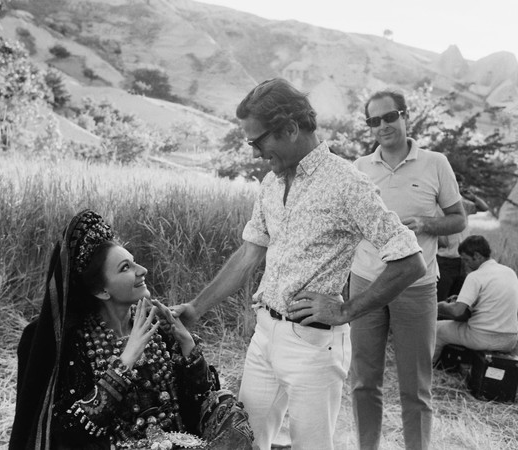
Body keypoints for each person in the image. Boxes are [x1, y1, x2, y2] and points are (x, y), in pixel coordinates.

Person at [173, 78, 426, 450]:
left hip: (314, 346)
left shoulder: (347, 183)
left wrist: (346, 310)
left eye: (258, 142)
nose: (256, 153)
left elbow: (410, 261)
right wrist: (196, 308)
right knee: (241, 442)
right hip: (264, 338)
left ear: (290, 128)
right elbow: (248, 256)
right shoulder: (271, 185)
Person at [9, 209, 254, 450]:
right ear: (101, 291)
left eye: (134, 261)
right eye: (126, 268)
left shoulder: (156, 325)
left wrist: (187, 344)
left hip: (179, 443)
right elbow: (71, 432)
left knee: (229, 409)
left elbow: (199, 401)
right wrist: (125, 361)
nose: (142, 270)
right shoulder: (78, 344)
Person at [349, 90, 466, 450]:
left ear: (404, 117)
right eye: (374, 120)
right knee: (364, 381)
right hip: (367, 283)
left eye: (389, 117)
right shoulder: (358, 169)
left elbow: (458, 219)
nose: (383, 126)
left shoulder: (435, 163)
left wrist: (430, 223)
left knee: (415, 386)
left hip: (416, 286)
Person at [434, 235, 518, 362]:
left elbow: (457, 312)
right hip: (510, 340)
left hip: (481, 337)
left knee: (436, 329)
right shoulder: (510, 272)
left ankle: (428, 370)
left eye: (467, 260)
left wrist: (440, 306)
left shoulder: (475, 276)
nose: (465, 265)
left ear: (477, 256)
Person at [437, 186, 489, 302]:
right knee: (441, 297)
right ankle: (438, 320)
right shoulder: (436, 206)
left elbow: (484, 208)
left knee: (457, 298)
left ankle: (450, 319)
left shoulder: (462, 204)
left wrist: (473, 197)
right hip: (445, 260)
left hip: (463, 261)